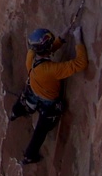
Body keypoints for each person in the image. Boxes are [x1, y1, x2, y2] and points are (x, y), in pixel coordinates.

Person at [9, 26, 88, 164]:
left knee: (24, 101)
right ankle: (29, 156)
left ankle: (15, 113)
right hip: (48, 102)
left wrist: (60, 40)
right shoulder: (52, 70)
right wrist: (78, 40)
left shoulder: (31, 56)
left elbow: (45, 52)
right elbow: (80, 63)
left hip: (33, 92)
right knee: (40, 131)